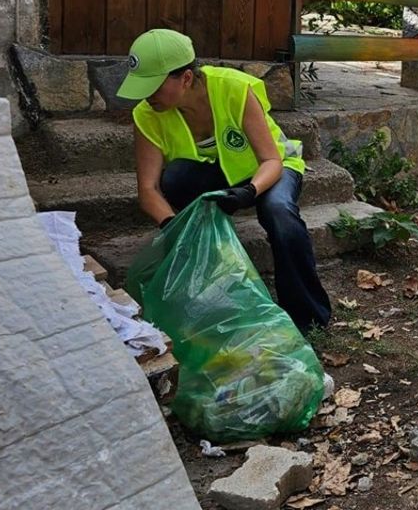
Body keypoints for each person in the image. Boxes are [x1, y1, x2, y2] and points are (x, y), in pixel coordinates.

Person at [116, 28, 332, 332]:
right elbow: (148, 190)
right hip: (219, 175)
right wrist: (175, 228)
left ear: (186, 78)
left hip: (269, 170)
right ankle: (215, 285)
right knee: (175, 178)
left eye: (153, 86)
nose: (146, 96)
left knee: (278, 212)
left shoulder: (233, 88)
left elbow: (271, 160)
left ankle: (307, 316)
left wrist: (249, 192)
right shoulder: (147, 115)